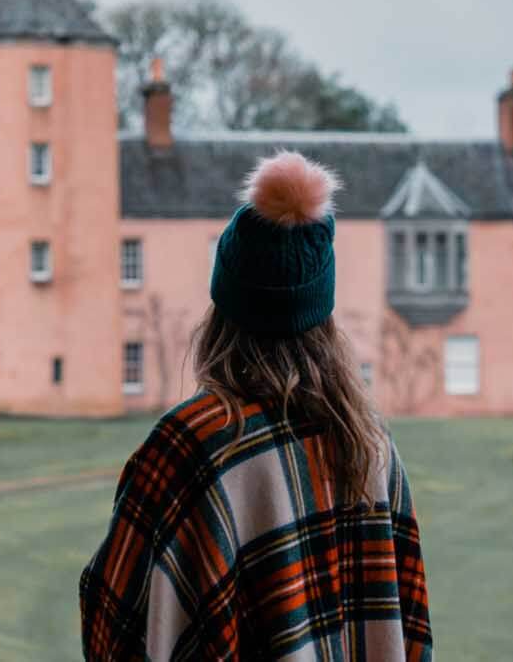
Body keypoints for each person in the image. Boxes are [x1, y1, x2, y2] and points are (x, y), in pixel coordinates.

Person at [79, 151, 433, 660]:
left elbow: (114, 620)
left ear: (223, 307)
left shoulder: (192, 445)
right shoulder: (370, 443)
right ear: (324, 319)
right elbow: (410, 627)